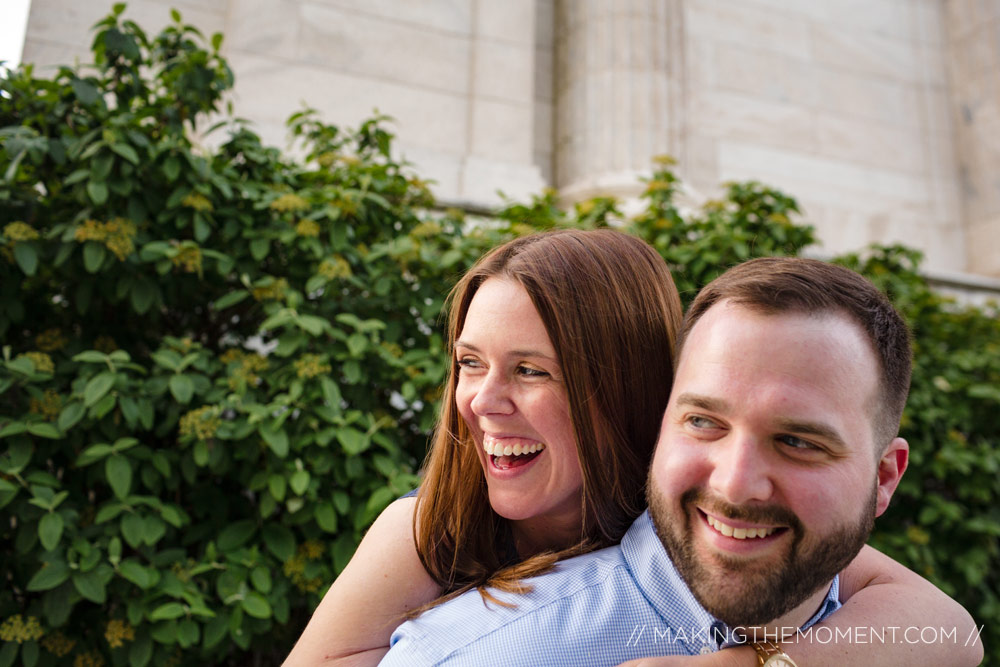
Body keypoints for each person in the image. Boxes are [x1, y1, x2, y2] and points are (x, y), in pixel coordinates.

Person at [285, 235, 981, 665]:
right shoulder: (423, 535)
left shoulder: (711, 519)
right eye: (469, 362)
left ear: (624, 391)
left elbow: (948, 626)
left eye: (532, 370)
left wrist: (764, 664)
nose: (481, 401)